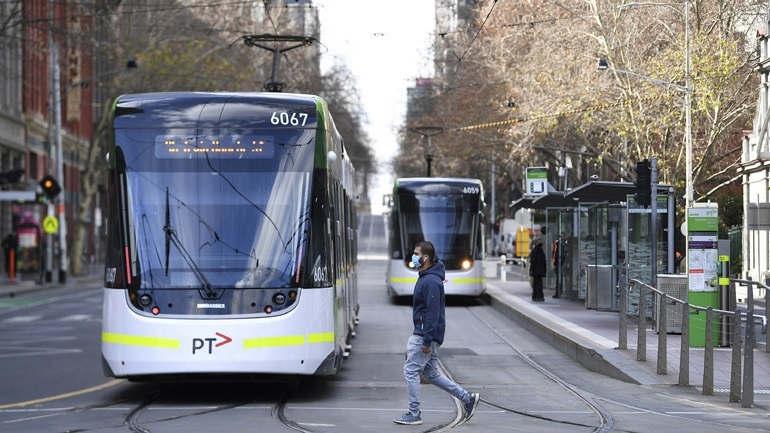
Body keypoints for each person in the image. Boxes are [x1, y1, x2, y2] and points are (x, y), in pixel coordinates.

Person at [394, 241, 480, 425]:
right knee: (431, 374)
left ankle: (414, 413)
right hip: (427, 334)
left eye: (416, 254)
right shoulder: (427, 276)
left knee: (411, 371)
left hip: (424, 335)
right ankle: (467, 398)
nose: (413, 256)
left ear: (425, 257)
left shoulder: (431, 281)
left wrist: (426, 340)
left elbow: (432, 313)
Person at [551, 231, 568, 298]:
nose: (562, 238)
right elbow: (554, 253)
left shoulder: (567, 244)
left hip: (565, 263)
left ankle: (566, 292)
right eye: (561, 236)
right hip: (558, 263)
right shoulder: (558, 244)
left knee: (566, 278)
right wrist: (555, 262)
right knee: (558, 278)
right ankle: (558, 292)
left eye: (563, 236)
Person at [529, 237, 546, 302]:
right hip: (537, 270)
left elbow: (533, 261)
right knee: (538, 283)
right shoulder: (538, 250)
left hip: (537, 270)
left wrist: (531, 270)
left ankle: (537, 296)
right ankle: (538, 296)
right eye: (539, 241)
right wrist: (531, 270)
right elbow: (533, 261)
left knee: (537, 283)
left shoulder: (538, 250)